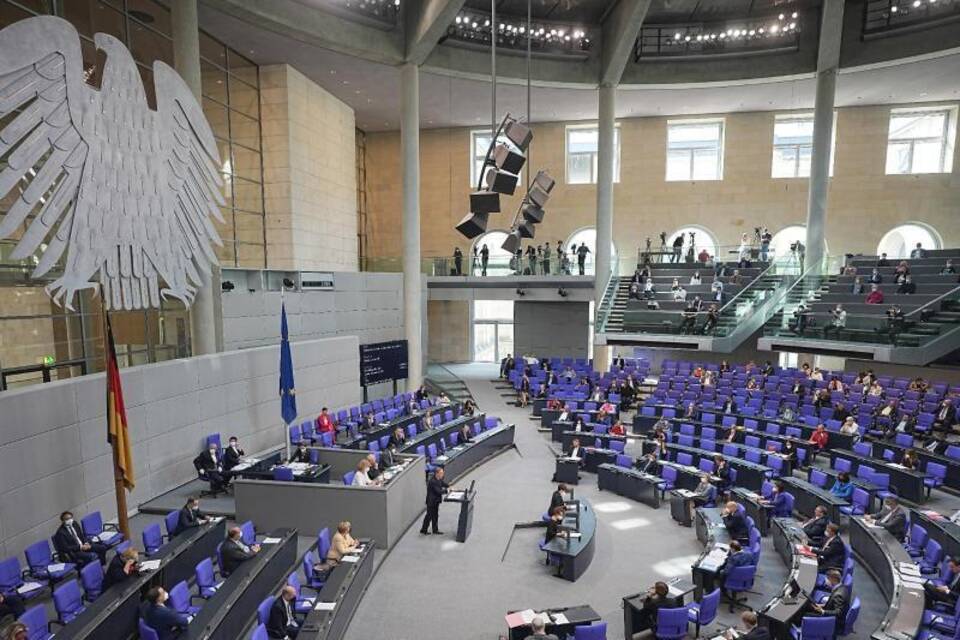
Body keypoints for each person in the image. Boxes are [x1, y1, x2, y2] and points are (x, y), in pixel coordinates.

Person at [420, 467, 449, 535]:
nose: (443, 474)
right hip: (431, 502)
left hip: (436, 502)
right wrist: (447, 490)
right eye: (441, 473)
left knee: (435, 516)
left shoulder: (439, 479)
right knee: (429, 516)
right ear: (437, 473)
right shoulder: (432, 481)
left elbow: (443, 484)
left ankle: (435, 530)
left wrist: (449, 486)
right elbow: (438, 491)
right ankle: (423, 530)